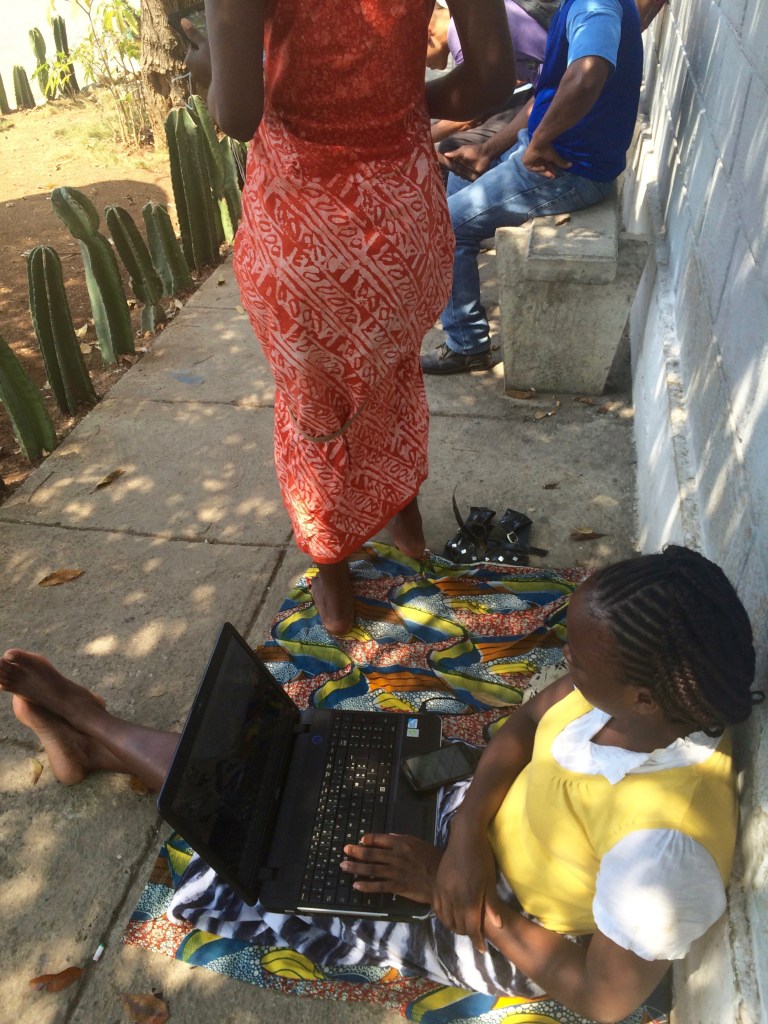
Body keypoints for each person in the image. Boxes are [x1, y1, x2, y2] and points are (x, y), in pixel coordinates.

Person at [1, 546, 762, 1022]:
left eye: (582, 666)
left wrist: (463, 894)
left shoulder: (664, 855)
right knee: (302, 770)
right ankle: (92, 737)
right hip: (470, 842)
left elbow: (603, 997)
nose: (566, 669)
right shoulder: (651, 695)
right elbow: (526, 723)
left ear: (643, 698)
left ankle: (91, 729)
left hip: (505, 925)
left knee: (257, 856)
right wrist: (464, 842)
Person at [179, 0, 516, 634]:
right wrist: (393, 103)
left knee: (313, 406)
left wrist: (206, 68)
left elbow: (237, 114)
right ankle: (406, 526)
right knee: (388, 374)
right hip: (402, 222)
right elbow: (492, 81)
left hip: (303, 226)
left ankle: (333, 573)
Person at [421, 0, 665, 376]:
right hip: (549, 150)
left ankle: (467, 344)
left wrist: (538, 144)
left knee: (444, 228)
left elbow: (586, 75)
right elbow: (544, 92)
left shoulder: (594, 6)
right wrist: (489, 149)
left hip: (567, 169)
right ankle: (457, 282)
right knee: (460, 167)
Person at [429, 0, 556, 165]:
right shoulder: (480, 21)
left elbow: (475, 110)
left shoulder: (461, 38)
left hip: (572, 99)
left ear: (427, 33)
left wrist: (418, 136)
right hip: (558, 87)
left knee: (454, 149)